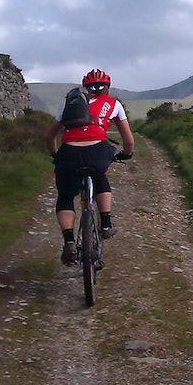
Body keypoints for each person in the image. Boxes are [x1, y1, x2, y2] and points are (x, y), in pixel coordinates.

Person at [44, 68, 135, 265]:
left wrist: (55, 154)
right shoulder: (114, 104)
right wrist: (126, 154)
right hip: (98, 151)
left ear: (85, 87)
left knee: (66, 196)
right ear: (107, 88)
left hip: (69, 152)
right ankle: (106, 224)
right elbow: (128, 140)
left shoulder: (71, 103)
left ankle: (69, 241)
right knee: (100, 174)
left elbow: (49, 136)